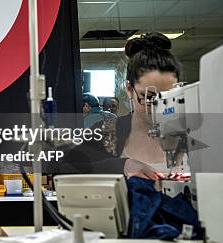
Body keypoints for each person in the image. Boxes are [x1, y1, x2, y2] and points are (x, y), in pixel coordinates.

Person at [63, 32, 186, 179]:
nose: (159, 107)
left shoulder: (193, 132)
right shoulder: (108, 131)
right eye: (149, 97)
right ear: (129, 89)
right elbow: (64, 167)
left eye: (168, 97)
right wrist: (121, 166)